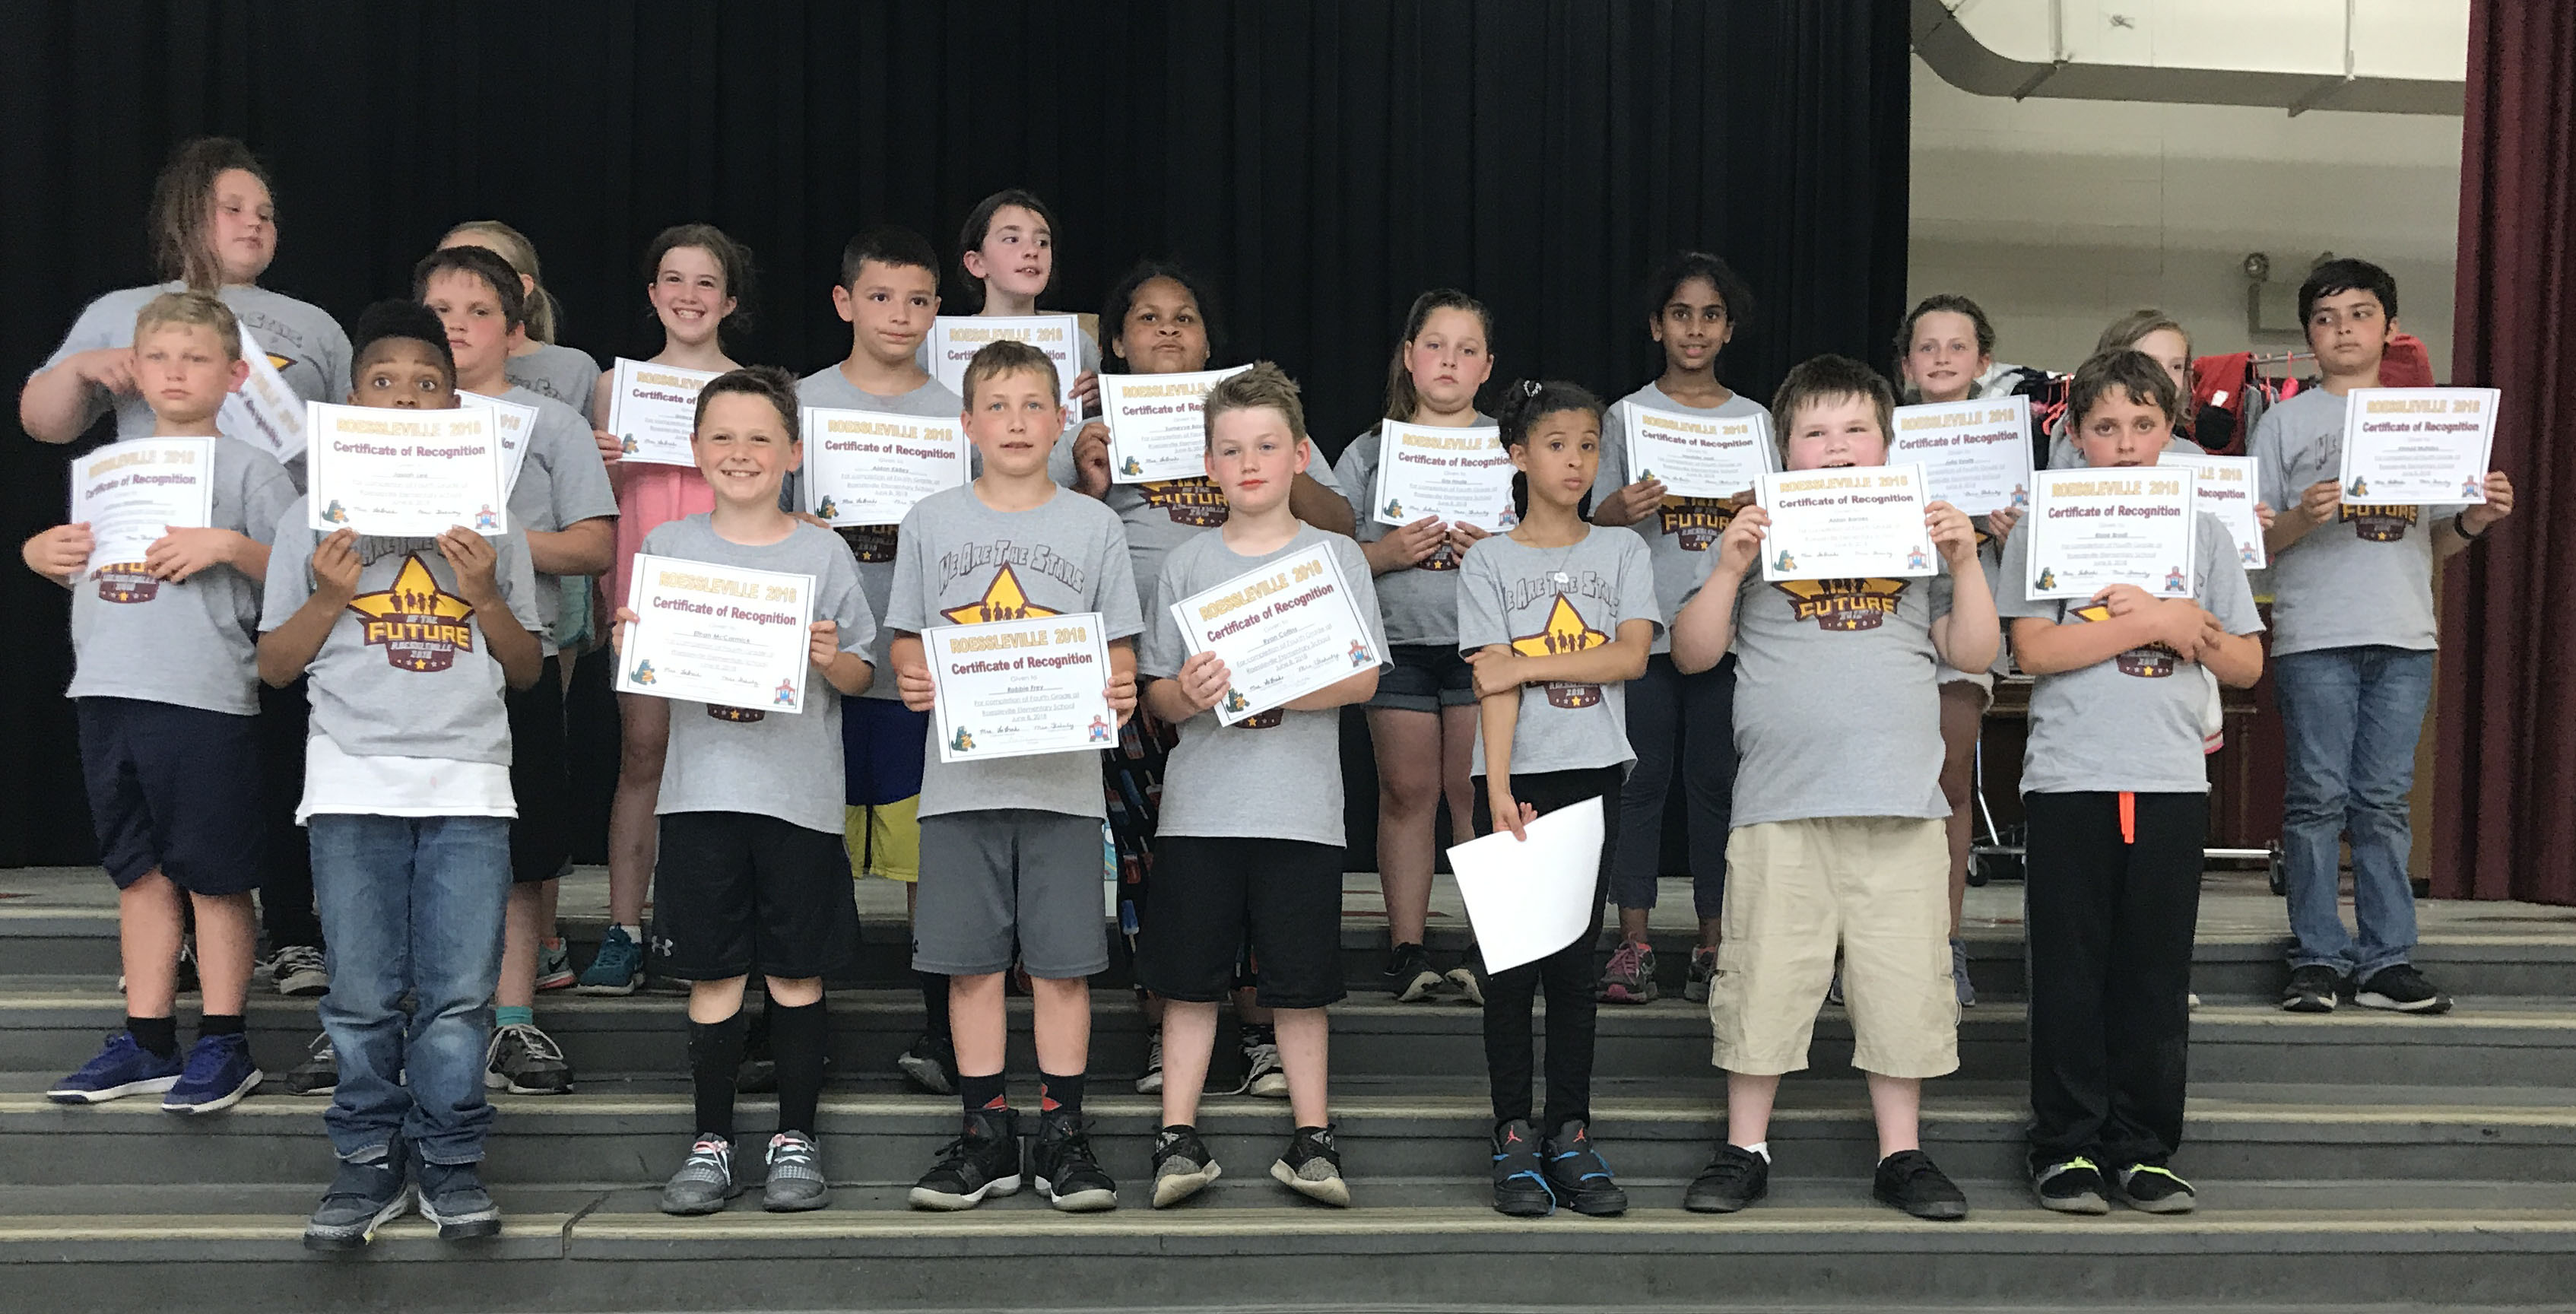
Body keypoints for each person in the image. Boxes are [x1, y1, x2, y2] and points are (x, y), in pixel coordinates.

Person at [23, 135, 351, 1005]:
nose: (254, 223)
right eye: (233, 208)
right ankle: (175, 954)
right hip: (160, 593)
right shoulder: (124, 309)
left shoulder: (311, 324)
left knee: (279, 745)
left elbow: (353, 443)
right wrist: (85, 368)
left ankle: (293, 926)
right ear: (186, 214)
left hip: (273, 562)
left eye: (267, 213)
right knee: (171, 775)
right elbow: (45, 422)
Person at [1670, 354, 1997, 1220]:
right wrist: (1730, 565)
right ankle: (1745, 1147)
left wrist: (1965, 562)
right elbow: (1692, 653)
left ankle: (1903, 1155)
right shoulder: (1752, 536)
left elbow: (1973, 653)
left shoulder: (1922, 537)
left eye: (1856, 430)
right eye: (1814, 433)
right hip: (1781, 805)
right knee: (1763, 978)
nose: (1838, 448)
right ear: (1783, 453)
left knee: (1903, 983)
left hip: (1899, 804)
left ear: (1888, 445)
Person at [258, 300, 544, 1249]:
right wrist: (331, 593)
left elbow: (526, 667)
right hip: (350, 785)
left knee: (460, 995)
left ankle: (453, 1162)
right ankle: (365, 1164)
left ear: (455, 402)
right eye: (387, 381)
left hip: (468, 784)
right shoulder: (310, 515)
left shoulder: (488, 519)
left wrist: (488, 592)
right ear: (353, 401)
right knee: (362, 995)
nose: (409, 396)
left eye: (429, 383)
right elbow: (274, 665)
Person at [1056, 259, 1352, 1098]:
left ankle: (1261, 1033)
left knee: (1255, 850)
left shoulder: (1250, 419)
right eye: (1146, 319)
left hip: (1255, 674)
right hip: (1139, 673)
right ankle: (1166, 1033)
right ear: (1115, 342)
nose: (1166, 331)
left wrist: (1281, 464)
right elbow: (1051, 543)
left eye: (1183, 317)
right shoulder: (1091, 425)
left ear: (1208, 339)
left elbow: (1336, 517)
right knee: (1158, 867)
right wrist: (1086, 479)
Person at [2002, 349, 2267, 1214]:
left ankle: (2144, 1147)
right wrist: (2154, 622)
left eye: (2143, 426)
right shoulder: (2044, 526)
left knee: (2152, 975)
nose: (2124, 443)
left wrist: (2192, 630)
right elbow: (2033, 650)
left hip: (2167, 779)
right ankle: (2064, 1145)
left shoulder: (2204, 534)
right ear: (2072, 435)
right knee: (2069, 972)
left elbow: (2247, 664)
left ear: (2169, 432)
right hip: (2071, 776)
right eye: (2104, 427)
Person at [889, 341, 1142, 1212]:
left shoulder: (1094, 525)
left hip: (1063, 787)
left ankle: (1064, 1131)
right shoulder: (930, 520)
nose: (1016, 422)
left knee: (1066, 969)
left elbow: (1119, 659)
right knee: (970, 970)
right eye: (997, 407)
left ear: (1060, 419)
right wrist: (911, 673)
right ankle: (987, 1132)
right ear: (967, 424)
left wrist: (1120, 684)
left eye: (1034, 405)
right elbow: (904, 642)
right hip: (960, 787)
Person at [27, 291, 293, 1115]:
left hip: (204, 692)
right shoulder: (111, 465)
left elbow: (305, 572)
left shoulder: (251, 468)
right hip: (105, 684)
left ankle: (223, 1040)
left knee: (213, 875)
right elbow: (85, 563)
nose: (176, 373)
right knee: (136, 872)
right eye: (160, 359)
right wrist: (42, 552)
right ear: (134, 373)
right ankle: (147, 1039)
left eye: (197, 359)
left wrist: (232, 546)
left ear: (235, 374)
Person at [621, 367, 876, 1215]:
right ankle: (713, 1142)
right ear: (694, 451)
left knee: (799, 976)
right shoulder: (668, 551)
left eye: (760, 437)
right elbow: (650, 682)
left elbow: (861, 673)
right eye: (722, 437)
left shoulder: (823, 550)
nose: (740, 453)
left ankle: (795, 1138)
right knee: (713, 976)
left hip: (798, 799)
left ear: (794, 453)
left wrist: (827, 656)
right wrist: (640, 642)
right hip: (699, 799)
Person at [1134, 363, 1382, 1209]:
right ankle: (1176, 1137)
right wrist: (1190, 696)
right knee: (1190, 980)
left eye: (1267, 446)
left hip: (1302, 814)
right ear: (1209, 463)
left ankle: (1313, 1140)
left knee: (1301, 985)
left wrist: (1272, 687)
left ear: (1299, 455)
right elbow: (1159, 696)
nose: (1249, 463)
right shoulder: (1187, 563)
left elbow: (1361, 683)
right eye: (1231, 450)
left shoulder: (1336, 557)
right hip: (1201, 811)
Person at [2255, 258, 2514, 1015]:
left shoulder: (2424, 416)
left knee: (2382, 800)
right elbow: (2254, 544)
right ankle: (2316, 956)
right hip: (2313, 633)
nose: (2344, 330)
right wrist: (2306, 515)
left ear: (2388, 328)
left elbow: (2435, 542)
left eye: (2360, 315)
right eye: (2327, 318)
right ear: (2308, 335)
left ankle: (2386, 959)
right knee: (2314, 800)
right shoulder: (2282, 422)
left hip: (2403, 632)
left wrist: (2475, 517)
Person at [418, 245, 617, 1096]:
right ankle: (410, 1013)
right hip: (407, 661)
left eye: (477, 313)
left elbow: (596, 543)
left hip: (517, 655)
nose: (457, 328)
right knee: (409, 836)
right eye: (440, 313)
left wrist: (496, 542)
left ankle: (512, 1022)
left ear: (514, 327)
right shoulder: (385, 419)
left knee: (522, 844)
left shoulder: (551, 422)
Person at [1458, 379, 1658, 1217]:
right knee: (1510, 972)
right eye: (1555, 445)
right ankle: (1512, 1135)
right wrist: (1500, 788)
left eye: (1587, 446)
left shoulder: (1621, 553)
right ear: (1517, 456)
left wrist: (1530, 661)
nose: (1574, 460)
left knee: (1574, 972)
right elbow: (1489, 686)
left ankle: (1569, 1130)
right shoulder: (1488, 560)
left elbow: (1628, 659)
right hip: (1511, 779)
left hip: (1591, 774)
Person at [790, 224, 962, 1095]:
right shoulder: (800, 405)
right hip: (812, 667)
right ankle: (787, 1028)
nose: (901, 314)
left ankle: (937, 1028)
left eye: (920, 299)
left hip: (917, 673)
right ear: (844, 302)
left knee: (923, 858)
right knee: (803, 850)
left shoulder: (958, 416)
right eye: (883, 296)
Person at [582, 224, 757, 995]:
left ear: (729, 301)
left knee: (722, 767)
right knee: (644, 758)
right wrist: (606, 469)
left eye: (706, 283)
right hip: (644, 594)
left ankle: (706, 932)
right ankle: (624, 926)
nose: (689, 296)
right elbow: (600, 504)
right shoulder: (617, 388)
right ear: (653, 295)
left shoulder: (752, 389)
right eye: (674, 280)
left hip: (730, 597)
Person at [1586, 252, 1762, 1005]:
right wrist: (1616, 510)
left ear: (1728, 330)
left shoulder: (1754, 421)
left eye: (1710, 315)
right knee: (1640, 784)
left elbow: (1780, 529)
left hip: (1729, 631)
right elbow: (1590, 517)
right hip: (1644, 631)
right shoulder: (1625, 416)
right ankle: (1633, 944)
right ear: (1657, 325)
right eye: (1681, 313)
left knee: (1716, 784)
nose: (1695, 329)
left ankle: (1713, 946)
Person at [1332, 290, 1498, 1002]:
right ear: (1408, 356)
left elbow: (1549, 544)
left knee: (1474, 794)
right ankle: (1408, 947)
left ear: (1487, 367)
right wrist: (1386, 552)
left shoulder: (1510, 447)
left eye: (1467, 350)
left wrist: (1499, 554)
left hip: (1482, 644)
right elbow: (1327, 558)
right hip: (1397, 641)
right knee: (1407, 792)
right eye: (1435, 345)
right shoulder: (1369, 451)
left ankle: (1492, 946)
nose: (1449, 362)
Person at [1894, 294, 2022, 1008]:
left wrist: (2011, 529)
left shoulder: (2011, 443)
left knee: (1948, 786)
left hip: (1965, 624)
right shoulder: (1876, 431)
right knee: (1877, 783)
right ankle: (1868, 948)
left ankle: (1945, 944)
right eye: (1928, 346)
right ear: (1907, 362)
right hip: (1886, 620)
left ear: (1984, 360)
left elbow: (2048, 553)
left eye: (1957, 346)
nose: (1942, 358)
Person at [941, 188, 1101, 412]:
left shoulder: (1079, 344)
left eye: (1043, 242)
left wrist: (1099, 401)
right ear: (977, 263)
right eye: (1012, 239)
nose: (1032, 251)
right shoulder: (941, 343)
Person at [439, 220, 602, 422]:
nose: (462, 279)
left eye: (482, 268)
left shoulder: (574, 368)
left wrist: (592, 444)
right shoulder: (419, 362)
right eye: (448, 265)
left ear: (522, 287)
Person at [2042, 309, 2210, 471]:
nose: (2164, 376)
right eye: (2148, 364)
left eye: (2176, 366)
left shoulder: (2194, 458)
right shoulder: (2072, 454)